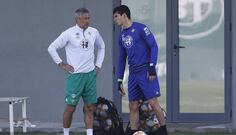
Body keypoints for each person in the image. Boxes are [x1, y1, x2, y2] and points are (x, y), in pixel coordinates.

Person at [48, 8, 105, 135]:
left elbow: (101, 46)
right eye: (85, 18)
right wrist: (62, 64)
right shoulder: (69, 33)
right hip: (75, 77)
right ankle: (66, 133)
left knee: (90, 108)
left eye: (88, 18)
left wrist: (98, 65)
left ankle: (89, 133)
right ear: (77, 19)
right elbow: (52, 48)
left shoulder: (94, 32)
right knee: (70, 108)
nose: (87, 21)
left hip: (90, 75)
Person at [113, 5, 168, 135]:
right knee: (132, 106)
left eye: (116, 16)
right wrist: (119, 80)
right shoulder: (121, 36)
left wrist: (151, 67)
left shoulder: (141, 28)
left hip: (146, 72)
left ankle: (164, 130)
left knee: (154, 103)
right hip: (133, 74)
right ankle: (134, 132)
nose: (114, 20)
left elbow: (154, 46)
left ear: (124, 15)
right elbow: (121, 59)